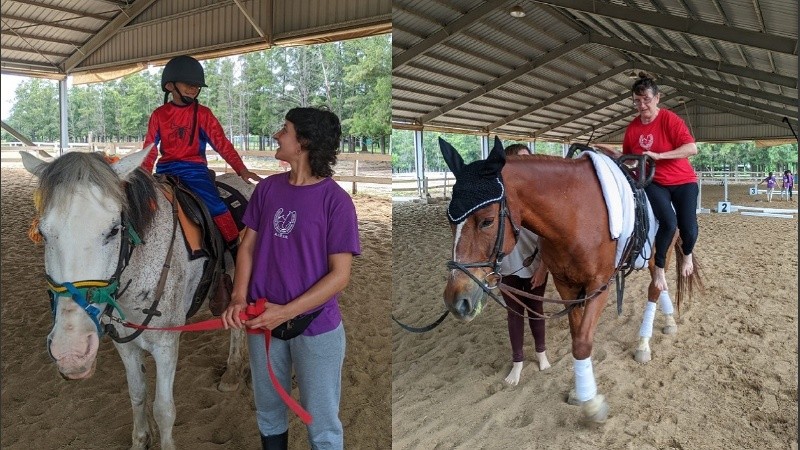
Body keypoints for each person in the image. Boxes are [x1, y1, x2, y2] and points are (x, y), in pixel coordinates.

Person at [221, 107, 361, 450]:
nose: (276, 135)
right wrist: (238, 298)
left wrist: (284, 312)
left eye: (285, 129)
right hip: (261, 321)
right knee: (268, 411)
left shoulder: (336, 202)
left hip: (315, 327)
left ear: (304, 142)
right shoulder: (267, 189)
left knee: (322, 423)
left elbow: (340, 276)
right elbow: (247, 247)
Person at [142, 55, 261, 256]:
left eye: (197, 86)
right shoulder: (159, 114)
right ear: (170, 86)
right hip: (164, 171)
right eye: (188, 84)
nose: (193, 89)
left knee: (215, 205)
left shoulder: (204, 114)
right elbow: (150, 148)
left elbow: (222, 144)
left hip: (194, 171)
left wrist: (241, 169)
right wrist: (143, 175)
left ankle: (234, 247)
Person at [620, 73, 699, 291]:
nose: (642, 105)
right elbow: (630, 159)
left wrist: (660, 156)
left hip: (683, 180)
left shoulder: (669, 119)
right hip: (655, 182)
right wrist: (619, 158)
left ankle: (687, 254)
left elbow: (691, 148)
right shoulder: (632, 128)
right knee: (669, 223)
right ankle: (659, 268)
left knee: (689, 228)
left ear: (657, 98)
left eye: (646, 99)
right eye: (637, 101)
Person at [501, 143, 550, 386]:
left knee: (536, 309)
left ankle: (541, 353)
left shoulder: (541, 197)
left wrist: (543, 267)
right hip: (507, 266)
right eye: (522, 160)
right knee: (514, 313)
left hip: (535, 265)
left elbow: (549, 237)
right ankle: (518, 362)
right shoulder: (499, 199)